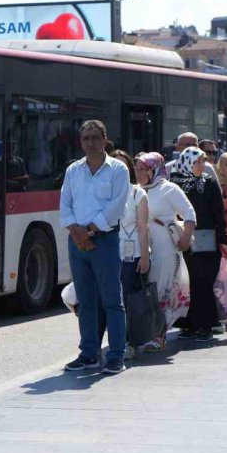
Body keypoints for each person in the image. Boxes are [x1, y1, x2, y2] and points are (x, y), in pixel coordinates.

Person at [59, 120, 131, 374]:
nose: (90, 142)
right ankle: (88, 353)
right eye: (86, 138)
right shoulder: (73, 171)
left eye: (94, 137)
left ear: (104, 140)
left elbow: (116, 207)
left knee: (112, 300)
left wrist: (89, 231)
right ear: (81, 142)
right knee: (86, 301)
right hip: (77, 242)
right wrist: (77, 233)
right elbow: (65, 205)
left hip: (105, 240)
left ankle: (115, 355)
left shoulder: (118, 170)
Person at [135, 152, 194, 351]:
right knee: (146, 292)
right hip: (143, 249)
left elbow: (189, 214)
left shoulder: (169, 189)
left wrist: (185, 239)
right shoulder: (135, 191)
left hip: (165, 250)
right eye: (137, 168)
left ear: (154, 169)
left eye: (143, 168)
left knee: (162, 291)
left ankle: (159, 336)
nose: (139, 172)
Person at [168, 146, 227, 341]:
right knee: (187, 284)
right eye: (198, 162)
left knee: (203, 283)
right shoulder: (175, 183)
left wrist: (223, 240)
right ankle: (189, 325)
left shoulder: (209, 183)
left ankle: (205, 325)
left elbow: (218, 213)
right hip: (182, 240)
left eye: (203, 161)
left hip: (205, 241)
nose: (202, 165)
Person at [106, 150, 151, 357]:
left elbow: (143, 227)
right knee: (109, 300)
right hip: (107, 253)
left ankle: (128, 342)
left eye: (124, 166)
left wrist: (144, 256)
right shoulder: (104, 192)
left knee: (126, 300)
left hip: (130, 256)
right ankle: (115, 341)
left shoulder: (137, 193)